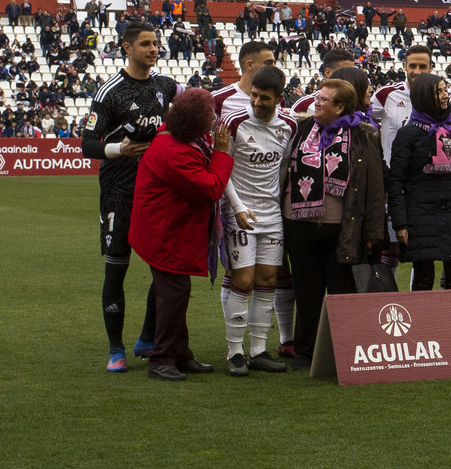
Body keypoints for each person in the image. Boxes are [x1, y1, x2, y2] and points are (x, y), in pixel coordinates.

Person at [81, 21, 180, 372]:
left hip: (157, 189)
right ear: (126, 47)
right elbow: (86, 145)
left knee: (165, 271)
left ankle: (148, 338)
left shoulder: (167, 86)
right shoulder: (110, 91)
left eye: (155, 44)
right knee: (116, 269)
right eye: (145, 44)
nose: (153, 49)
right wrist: (118, 149)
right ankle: (116, 349)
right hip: (119, 191)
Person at [130, 88, 234, 381]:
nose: (214, 119)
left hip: (165, 229)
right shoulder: (174, 151)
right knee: (174, 294)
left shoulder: (174, 138)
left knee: (175, 293)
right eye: (209, 115)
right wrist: (222, 153)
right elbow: (210, 187)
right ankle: (162, 358)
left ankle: (179, 353)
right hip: (165, 234)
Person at [282, 79, 384, 370]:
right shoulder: (302, 129)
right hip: (299, 223)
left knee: (341, 291)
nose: (317, 102)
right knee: (306, 289)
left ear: (340, 107)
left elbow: (375, 187)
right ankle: (304, 351)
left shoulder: (364, 135)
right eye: (317, 97)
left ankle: (341, 350)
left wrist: (373, 232)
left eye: (324, 100)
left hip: (342, 227)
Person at [220, 66, 297, 376]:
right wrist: (236, 207)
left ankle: (259, 350)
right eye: (253, 95)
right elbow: (221, 169)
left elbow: (284, 170)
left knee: (268, 281)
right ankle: (234, 351)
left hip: (272, 215)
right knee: (243, 280)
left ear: (279, 98)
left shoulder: (289, 126)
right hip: (241, 214)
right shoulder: (233, 122)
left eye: (264, 98)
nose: (256, 102)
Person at [388, 73, 451, 291]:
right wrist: (400, 224)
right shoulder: (407, 135)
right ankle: (424, 324)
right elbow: (396, 183)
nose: (444, 95)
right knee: (423, 279)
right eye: (438, 91)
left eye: (444, 90)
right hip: (419, 217)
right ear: (423, 95)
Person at [371, 45, 431, 166]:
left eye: (423, 67)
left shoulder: (438, 98)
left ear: (431, 68)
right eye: (412, 66)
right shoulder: (386, 94)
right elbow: (363, 118)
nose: (417, 71)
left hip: (425, 177)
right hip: (392, 173)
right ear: (405, 66)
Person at [291, 49, 356, 113]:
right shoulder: (305, 105)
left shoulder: (359, 101)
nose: (350, 76)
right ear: (328, 72)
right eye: (344, 72)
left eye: (353, 72)